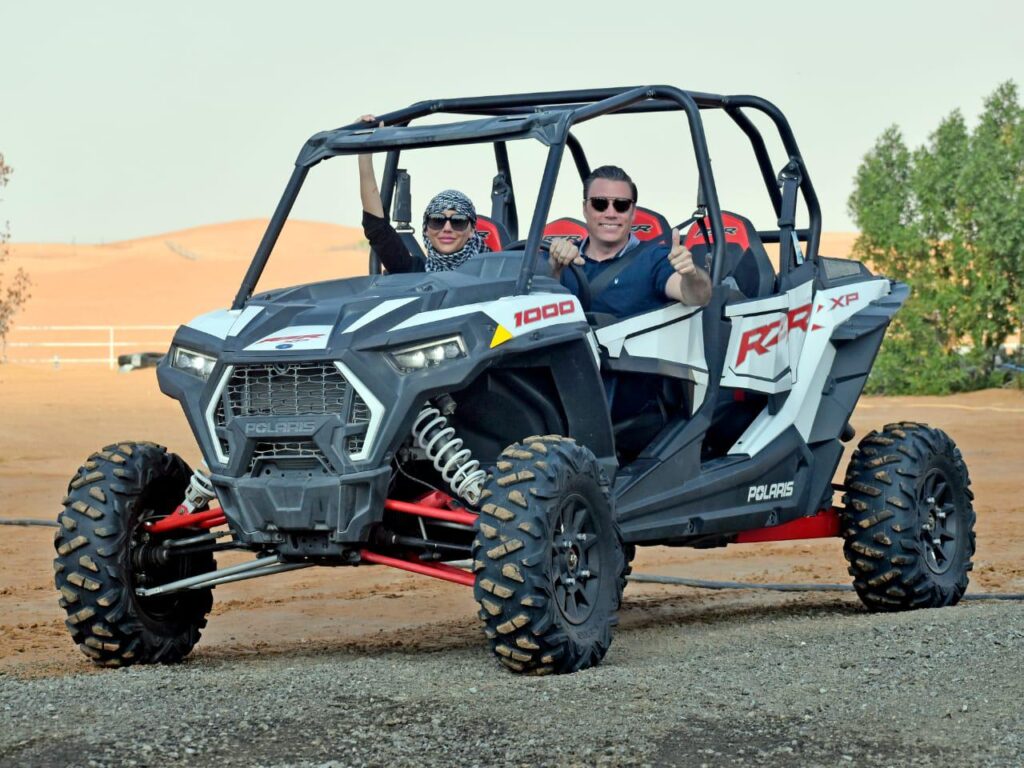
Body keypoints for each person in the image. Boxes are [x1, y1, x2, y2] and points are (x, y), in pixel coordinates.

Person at [547, 165, 711, 317]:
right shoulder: (561, 258)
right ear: (585, 209)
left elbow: (698, 297)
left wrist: (690, 274)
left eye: (621, 205)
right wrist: (553, 270)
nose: (610, 214)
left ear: (632, 213)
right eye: (599, 203)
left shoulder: (654, 259)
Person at [356, 115, 488, 273]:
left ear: (472, 230)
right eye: (437, 220)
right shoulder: (415, 272)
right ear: (426, 229)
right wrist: (364, 152)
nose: (447, 228)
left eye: (458, 221)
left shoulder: (494, 270)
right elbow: (376, 228)